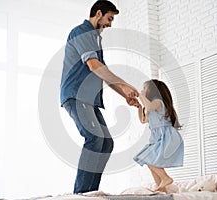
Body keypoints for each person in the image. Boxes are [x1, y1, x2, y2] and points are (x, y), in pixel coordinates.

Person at [60, 0, 139, 194]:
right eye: (109, 18)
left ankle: (90, 192)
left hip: (89, 99)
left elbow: (104, 74)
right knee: (94, 138)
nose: (110, 24)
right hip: (76, 95)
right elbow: (94, 66)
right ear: (98, 13)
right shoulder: (82, 32)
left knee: (106, 143)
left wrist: (125, 95)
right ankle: (80, 194)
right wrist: (127, 85)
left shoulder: (95, 40)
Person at [133, 79, 184, 192]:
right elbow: (143, 120)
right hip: (157, 138)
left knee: (148, 158)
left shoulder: (158, 102)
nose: (142, 90)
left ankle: (165, 178)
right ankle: (162, 187)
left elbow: (150, 106)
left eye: (144, 88)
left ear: (153, 90)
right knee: (150, 160)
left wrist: (140, 96)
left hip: (166, 136)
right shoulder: (151, 108)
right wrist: (139, 107)